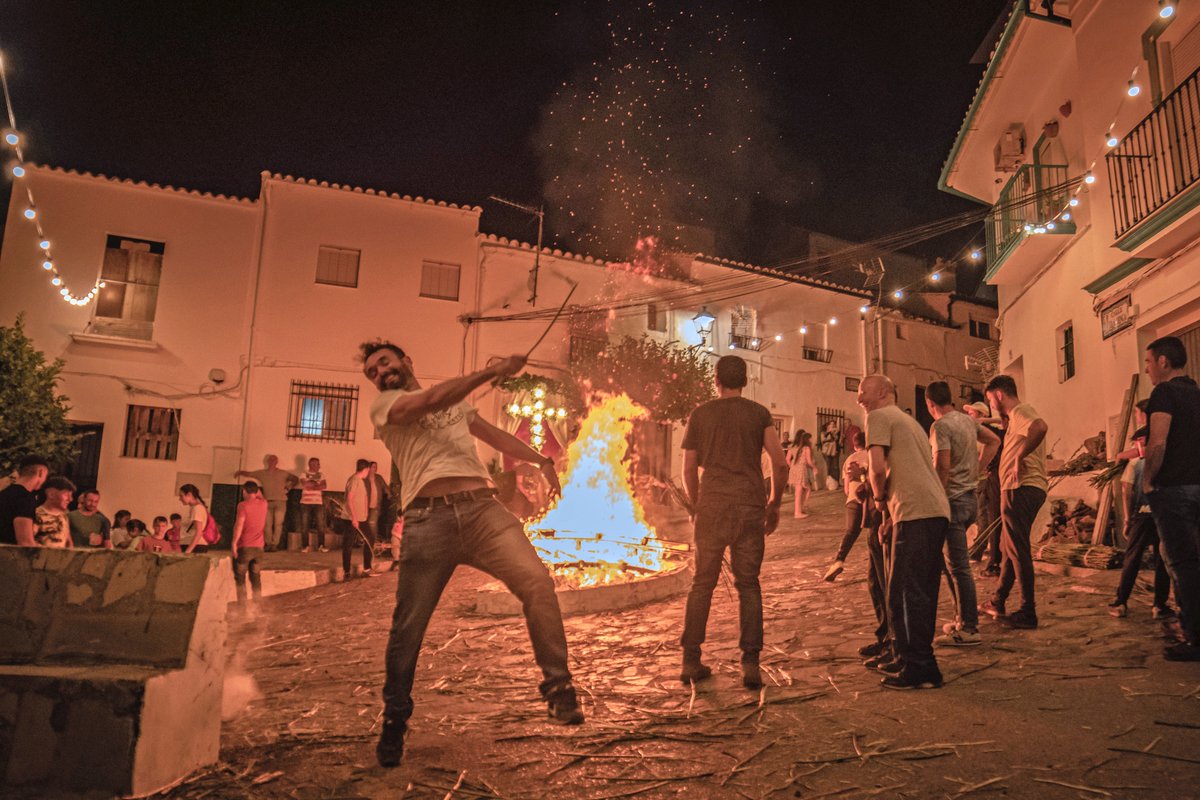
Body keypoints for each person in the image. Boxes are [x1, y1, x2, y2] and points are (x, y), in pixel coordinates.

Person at [360, 339, 582, 769]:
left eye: (385, 362)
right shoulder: (385, 408)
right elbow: (429, 400)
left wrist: (540, 458)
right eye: (372, 371)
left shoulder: (455, 405)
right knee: (408, 627)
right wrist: (492, 372)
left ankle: (559, 689)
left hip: (482, 508)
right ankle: (395, 720)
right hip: (427, 520)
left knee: (537, 582)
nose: (380, 372)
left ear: (406, 361)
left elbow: (493, 435)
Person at [680, 355, 789, 690]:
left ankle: (690, 660)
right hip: (749, 505)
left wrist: (697, 505)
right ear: (745, 380)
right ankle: (750, 664)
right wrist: (774, 503)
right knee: (749, 585)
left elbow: (688, 469)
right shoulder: (758, 414)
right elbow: (781, 464)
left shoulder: (700, 414)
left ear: (717, 380)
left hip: (711, 506)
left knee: (702, 584)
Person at [859, 375, 950, 689]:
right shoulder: (910, 422)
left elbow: (878, 468)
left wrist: (880, 497)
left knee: (901, 594)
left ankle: (917, 666)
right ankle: (919, 662)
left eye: (863, 392)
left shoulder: (879, 417)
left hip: (916, 513)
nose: (860, 399)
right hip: (932, 510)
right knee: (920, 592)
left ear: (884, 391)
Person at [925, 382, 1000, 647]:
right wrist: (978, 468)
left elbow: (941, 466)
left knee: (959, 567)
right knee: (951, 564)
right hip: (969, 497)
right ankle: (960, 620)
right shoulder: (967, 422)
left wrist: (935, 499)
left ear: (930, 404)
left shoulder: (941, 426)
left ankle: (969, 628)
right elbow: (994, 440)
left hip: (952, 501)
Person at [1142, 336, 1200, 661]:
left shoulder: (1164, 392)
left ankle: (1193, 637)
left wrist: (1148, 480)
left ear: (1163, 362)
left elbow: (1158, 442)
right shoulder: (1197, 393)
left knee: (1183, 564)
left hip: (1175, 491)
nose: (1147, 369)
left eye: (1149, 362)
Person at [981, 375, 1048, 630]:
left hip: (1020, 487)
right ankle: (997, 600)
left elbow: (1040, 427)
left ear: (999, 395)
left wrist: (1019, 456)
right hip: (1021, 488)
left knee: (1017, 549)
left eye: (990, 399)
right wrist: (984, 420)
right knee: (1008, 546)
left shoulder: (1021, 411)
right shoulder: (1014, 418)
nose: (991, 405)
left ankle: (1027, 610)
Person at [1108, 426, 1174, 619]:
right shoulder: (1167, 462)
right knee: (1161, 560)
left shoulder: (1136, 464)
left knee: (1132, 558)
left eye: (1138, 442)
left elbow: (1126, 491)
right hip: (1163, 516)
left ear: (1143, 441)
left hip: (1142, 516)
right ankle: (1159, 605)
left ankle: (1120, 602)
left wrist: (1127, 518)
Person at [824, 430, 870, 581]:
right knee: (875, 534)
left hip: (853, 499)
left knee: (851, 532)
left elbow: (846, 488)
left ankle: (838, 561)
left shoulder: (849, 459)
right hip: (871, 499)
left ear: (854, 444)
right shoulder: (872, 455)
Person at [964, 401, 1004, 576]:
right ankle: (981, 552)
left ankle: (979, 552)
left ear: (980, 416)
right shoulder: (988, 433)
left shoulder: (986, 436)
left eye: (972, 414)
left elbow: (978, 457)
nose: (969, 417)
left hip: (984, 480)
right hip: (983, 479)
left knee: (985, 517)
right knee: (984, 518)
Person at [235, 455, 298, 552]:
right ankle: (268, 544)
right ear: (268, 461)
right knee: (267, 524)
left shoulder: (283, 473)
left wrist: (288, 488)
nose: (272, 462)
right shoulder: (262, 473)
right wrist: (240, 472)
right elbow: (250, 474)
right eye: (271, 460)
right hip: (267, 501)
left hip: (280, 501)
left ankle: (274, 544)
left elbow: (295, 479)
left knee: (278, 524)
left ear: (277, 462)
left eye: (274, 460)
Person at [334, 459, 375, 578]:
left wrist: (365, 513)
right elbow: (350, 499)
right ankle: (346, 572)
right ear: (366, 469)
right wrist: (354, 518)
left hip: (361, 518)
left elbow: (364, 497)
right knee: (348, 544)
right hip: (351, 518)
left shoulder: (360, 480)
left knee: (370, 539)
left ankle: (367, 568)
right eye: (369, 469)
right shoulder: (354, 480)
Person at [232, 481, 268, 605]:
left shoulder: (243, 505)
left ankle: (242, 607)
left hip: (245, 547)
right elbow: (261, 496)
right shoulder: (264, 504)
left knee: (240, 579)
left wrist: (234, 543)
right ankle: (258, 606)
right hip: (259, 549)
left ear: (244, 491)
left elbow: (239, 525)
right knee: (256, 578)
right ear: (257, 491)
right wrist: (257, 491)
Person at [0, 455, 50, 546]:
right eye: (45, 476)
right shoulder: (25, 498)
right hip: (9, 557)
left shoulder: (3, 493)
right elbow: (25, 542)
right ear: (41, 472)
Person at [34, 476, 75, 548]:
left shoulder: (64, 515)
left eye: (71, 495)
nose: (70, 499)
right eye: (66, 495)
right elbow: (30, 542)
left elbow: (68, 541)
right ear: (51, 494)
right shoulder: (37, 514)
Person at [298, 457, 329, 553]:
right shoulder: (303, 474)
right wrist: (317, 486)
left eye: (318, 464)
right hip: (305, 503)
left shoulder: (321, 475)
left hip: (318, 502)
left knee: (320, 525)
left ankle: (321, 545)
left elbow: (324, 486)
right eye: (316, 464)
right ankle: (305, 546)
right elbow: (305, 485)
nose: (319, 466)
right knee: (305, 525)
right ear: (310, 464)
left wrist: (312, 485)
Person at [788, 433, 816, 518]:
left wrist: (792, 467)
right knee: (799, 491)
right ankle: (797, 512)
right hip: (801, 469)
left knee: (804, 489)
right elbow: (809, 462)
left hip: (794, 468)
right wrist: (814, 467)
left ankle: (800, 509)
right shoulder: (806, 448)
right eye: (810, 439)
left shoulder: (793, 447)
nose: (811, 440)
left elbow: (787, 459)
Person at [179, 484, 212, 554]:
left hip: (195, 547)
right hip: (193, 545)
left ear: (189, 495)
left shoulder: (197, 508)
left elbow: (199, 532)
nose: (180, 499)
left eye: (181, 496)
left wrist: (187, 551)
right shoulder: (195, 508)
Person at [367, 460, 389, 546]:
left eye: (376, 467)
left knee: (373, 523)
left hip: (375, 505)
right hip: (365, 505)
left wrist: (389, 494)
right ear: (369, 468)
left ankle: (373, 542)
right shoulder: (365, 478)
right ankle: (365, 541)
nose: (375, 469)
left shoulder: (378, 478)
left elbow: (385, 488)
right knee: (365, 523)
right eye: (373, 467)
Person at [821, 420, 841, 487]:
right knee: (828, 466)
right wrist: (829, 433)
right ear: (828, 425)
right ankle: (829, 483)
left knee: (835, 466)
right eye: (831, 424)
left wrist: (834, 433)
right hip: (827, 451)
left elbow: (837, 440)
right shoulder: (823, 432)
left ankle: (836, 483)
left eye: (834, 424)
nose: (832, 426)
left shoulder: (836, 432)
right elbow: (823, 440)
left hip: (834, 451)